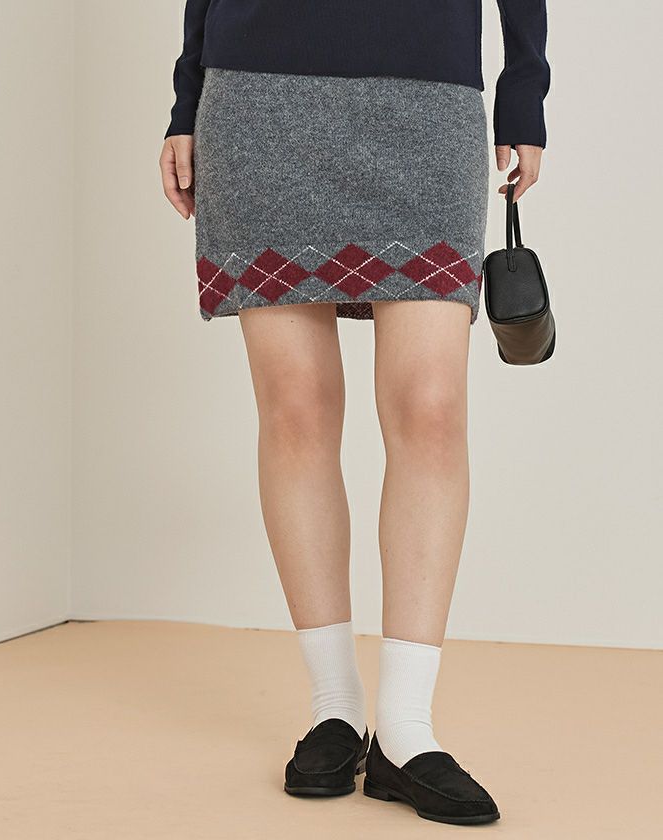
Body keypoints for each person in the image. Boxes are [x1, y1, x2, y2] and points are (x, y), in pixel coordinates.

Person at [159, 0, 549, 826]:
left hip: (429, 90)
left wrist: (524, 83)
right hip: (259, 92)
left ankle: (406, 728)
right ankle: (333, 709)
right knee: (296, 409)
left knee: (431, 409)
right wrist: (186, 96)